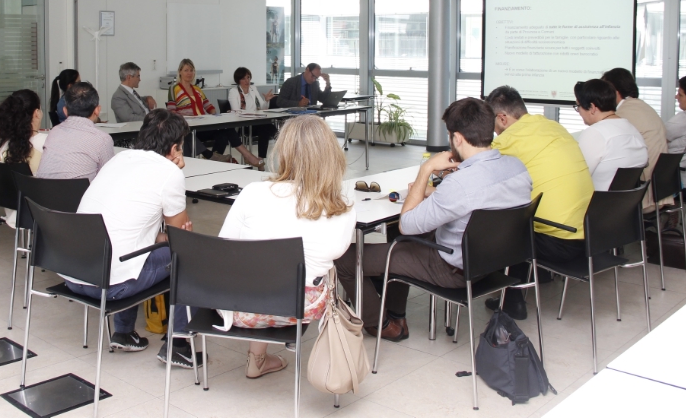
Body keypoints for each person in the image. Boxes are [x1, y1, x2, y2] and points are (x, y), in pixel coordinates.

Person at [336, 98, 532, 340]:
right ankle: (396, 314)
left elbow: (407, 224)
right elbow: (482, 199)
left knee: (345, 258)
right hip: (492, 262)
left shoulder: (459, 183)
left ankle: (382, 324)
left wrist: (426, 169)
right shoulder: (517, 167)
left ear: (457, 138)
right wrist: (443, 187)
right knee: (401, 238)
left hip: (451, 269)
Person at [218, 115, 356, 377]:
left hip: (240, 307)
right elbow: (337, 252)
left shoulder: (253, 193)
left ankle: (257, 359)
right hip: (300, 307)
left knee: (257, 271)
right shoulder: (341, 206)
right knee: (321, 272)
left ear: (283, 151)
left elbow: (224, 248)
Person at [68, 109, 200, 368]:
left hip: (75, 273)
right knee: (192, 255)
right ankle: (179, 345)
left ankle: (125, 333)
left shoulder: (119, 159)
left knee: (129, 248)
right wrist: (175, 171)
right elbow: (180, 237)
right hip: (110, 286)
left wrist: (161, 238)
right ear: (174, 148)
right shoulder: (169, 172)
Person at [484, 86, 594, 320]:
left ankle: (512, 302)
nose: (493, 131)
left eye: (492, 124)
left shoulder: (510, 139)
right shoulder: (553, 126)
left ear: (502, 118)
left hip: (558, 242)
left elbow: (476, 168)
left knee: (499, 228)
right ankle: (536, 277)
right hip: (590, 234)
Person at [167, 58, 263, 168]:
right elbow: (171, 111)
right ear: (180, 72)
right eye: (186, 70)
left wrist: (214, 114)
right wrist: (186, 116)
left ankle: (243, 157)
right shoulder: (174, 89)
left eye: (191, 70)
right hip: (188, 127)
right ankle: (210, 156)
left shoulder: (197, 89)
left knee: (226, 129)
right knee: (187, 132)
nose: (189, 73)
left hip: (202, 124)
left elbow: (208, 105)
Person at [601, 67, 671, 211]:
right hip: (661, 189)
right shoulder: (641, 106)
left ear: (615, 92)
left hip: (643, 194)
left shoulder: (624, 113)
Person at [574, 79, 648, 192]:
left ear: (592, 108)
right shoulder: (632, 129)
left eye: (578, 106)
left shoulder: (596, 133)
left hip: (595, 201)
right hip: (622, 202)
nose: (579, 111)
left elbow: (575, 175)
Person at [0, 89, 48, 227]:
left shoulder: (0, 144)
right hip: (40, 210)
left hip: (12, 207)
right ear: (36, 113)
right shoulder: (46, 142)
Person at [38, 82, 115, 181]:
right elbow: (109, 178)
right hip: (80, 191)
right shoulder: (103, 139)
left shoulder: (54, 132)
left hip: (42, 190)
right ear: (97, 110)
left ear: (65, 111)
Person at [228, 67, 277, 160]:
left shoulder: (253, 89)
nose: (247, 81)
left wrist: (266, 100)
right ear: (238, 80)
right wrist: (252, 113)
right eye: (243, 78)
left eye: (248, 77)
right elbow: (236, 111)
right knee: (267, 127)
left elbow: (262, 108)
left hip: (257, 122)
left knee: (266, 127)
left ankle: (261, 159)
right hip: (244, 124)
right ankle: (261, 159)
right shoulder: (233, 91)